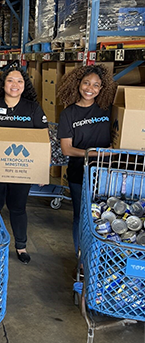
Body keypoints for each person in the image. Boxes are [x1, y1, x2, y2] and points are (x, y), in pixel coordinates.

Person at [0, 66, 48, 264]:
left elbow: (43, 140)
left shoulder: (32, 108)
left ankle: (21, 247)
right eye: (10, 81)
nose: (15, 85)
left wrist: (41, 170)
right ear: (3, 84)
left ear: (25, 85)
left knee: (18, 208)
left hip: (21, 169)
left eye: (19, 81)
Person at [57, 64, 117, 256]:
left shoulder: (107, 110)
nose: (90, 88)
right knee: (81, 217)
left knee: (106, 217)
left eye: (96, 85)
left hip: (107, 174)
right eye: (86, 83)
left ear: (102, 89)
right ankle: (81, 259)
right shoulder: (68, 114)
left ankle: (102, 256)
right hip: (79, 173)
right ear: (77, 84)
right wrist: (99, 153)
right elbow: (67, 149)